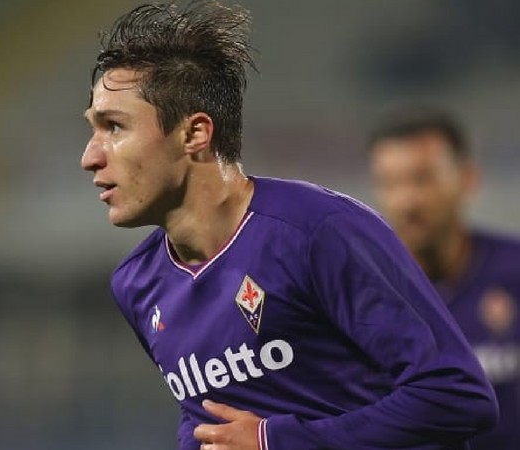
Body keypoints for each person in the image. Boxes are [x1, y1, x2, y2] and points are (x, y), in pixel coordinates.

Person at [80, 2, 498, 449]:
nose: (90, 157)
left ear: (195, 134)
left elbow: (456, 396)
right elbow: (205, 418)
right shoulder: (136, 283)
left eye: (114, 127)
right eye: (93, 129)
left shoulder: (318, 232)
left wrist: (274, 440)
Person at [368, 103, 520, 450]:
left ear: (467, 179)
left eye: (422, 179)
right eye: (389, 183)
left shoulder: (514, 271)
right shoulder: (361, 294)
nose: (407, 201)